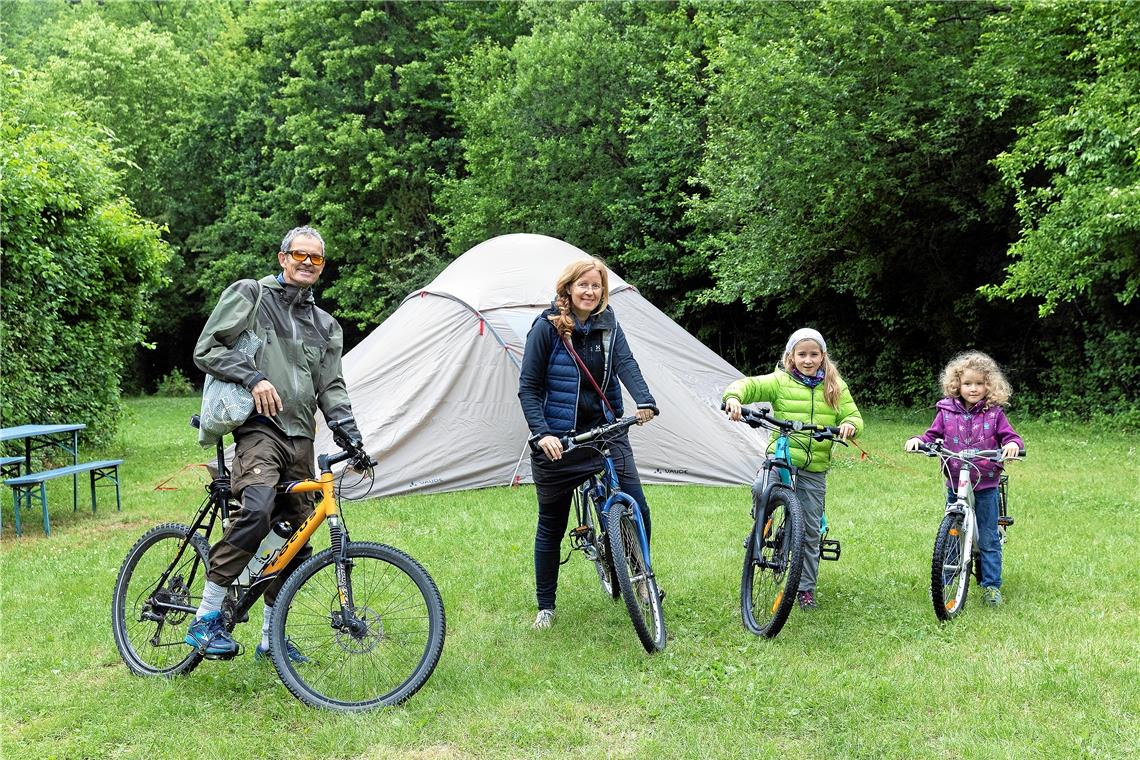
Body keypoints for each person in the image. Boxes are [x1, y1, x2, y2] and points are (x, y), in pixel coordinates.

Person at [188, 225, 361, 659]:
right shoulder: (252, 295)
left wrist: (350, 433)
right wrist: (254, 376)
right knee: (258, 510)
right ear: (283, 258)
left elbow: (332, 386)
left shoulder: (325, 325)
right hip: (259, 430)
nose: (306, 263)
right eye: (299, 255)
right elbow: (206, 349)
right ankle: (205, 619)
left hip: (302, 437)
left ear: (322, 267)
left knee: (296, 537)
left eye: (315, 258)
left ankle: (271, 636)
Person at [518, 257, 658, 630]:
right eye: (583, 285)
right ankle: (545, 606)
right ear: (568, 288)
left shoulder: (609, 324)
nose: (590, 292)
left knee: (637, 506)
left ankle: (641, 579)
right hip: (560, 441)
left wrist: (644, 401)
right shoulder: (546, 329)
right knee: (551, 523)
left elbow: (626, 363)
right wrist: (543, 433)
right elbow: (528, 388)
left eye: (596, 286)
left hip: (607, 428)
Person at [722, 327, 862, 610]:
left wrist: (849, 425)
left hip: (814, 467)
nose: (808, 360)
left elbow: (853, 415)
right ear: (791, 356)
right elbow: (748, 385)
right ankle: (761, 522)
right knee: (761, 488)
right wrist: (734, 398)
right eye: (802, 354)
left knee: (810, 532)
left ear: (823, 356)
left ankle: (805, 588)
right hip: (782, 459)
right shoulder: (780, 381)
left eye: (814, 354)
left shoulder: (835, 386)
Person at [905, 351, 1023, 606]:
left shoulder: (994, 413)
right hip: (955, 479)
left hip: (986, 482)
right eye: (968, 383)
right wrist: (919, 441)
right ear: (957, 384)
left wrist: (1012, 445)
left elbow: (1010, 437)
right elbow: (931, 435)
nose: (973, 388)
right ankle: (945, 581)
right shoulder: (946, 411)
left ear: (988, 385)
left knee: (989, 536)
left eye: (979, 384)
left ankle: (991, 586)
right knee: (953, 533)